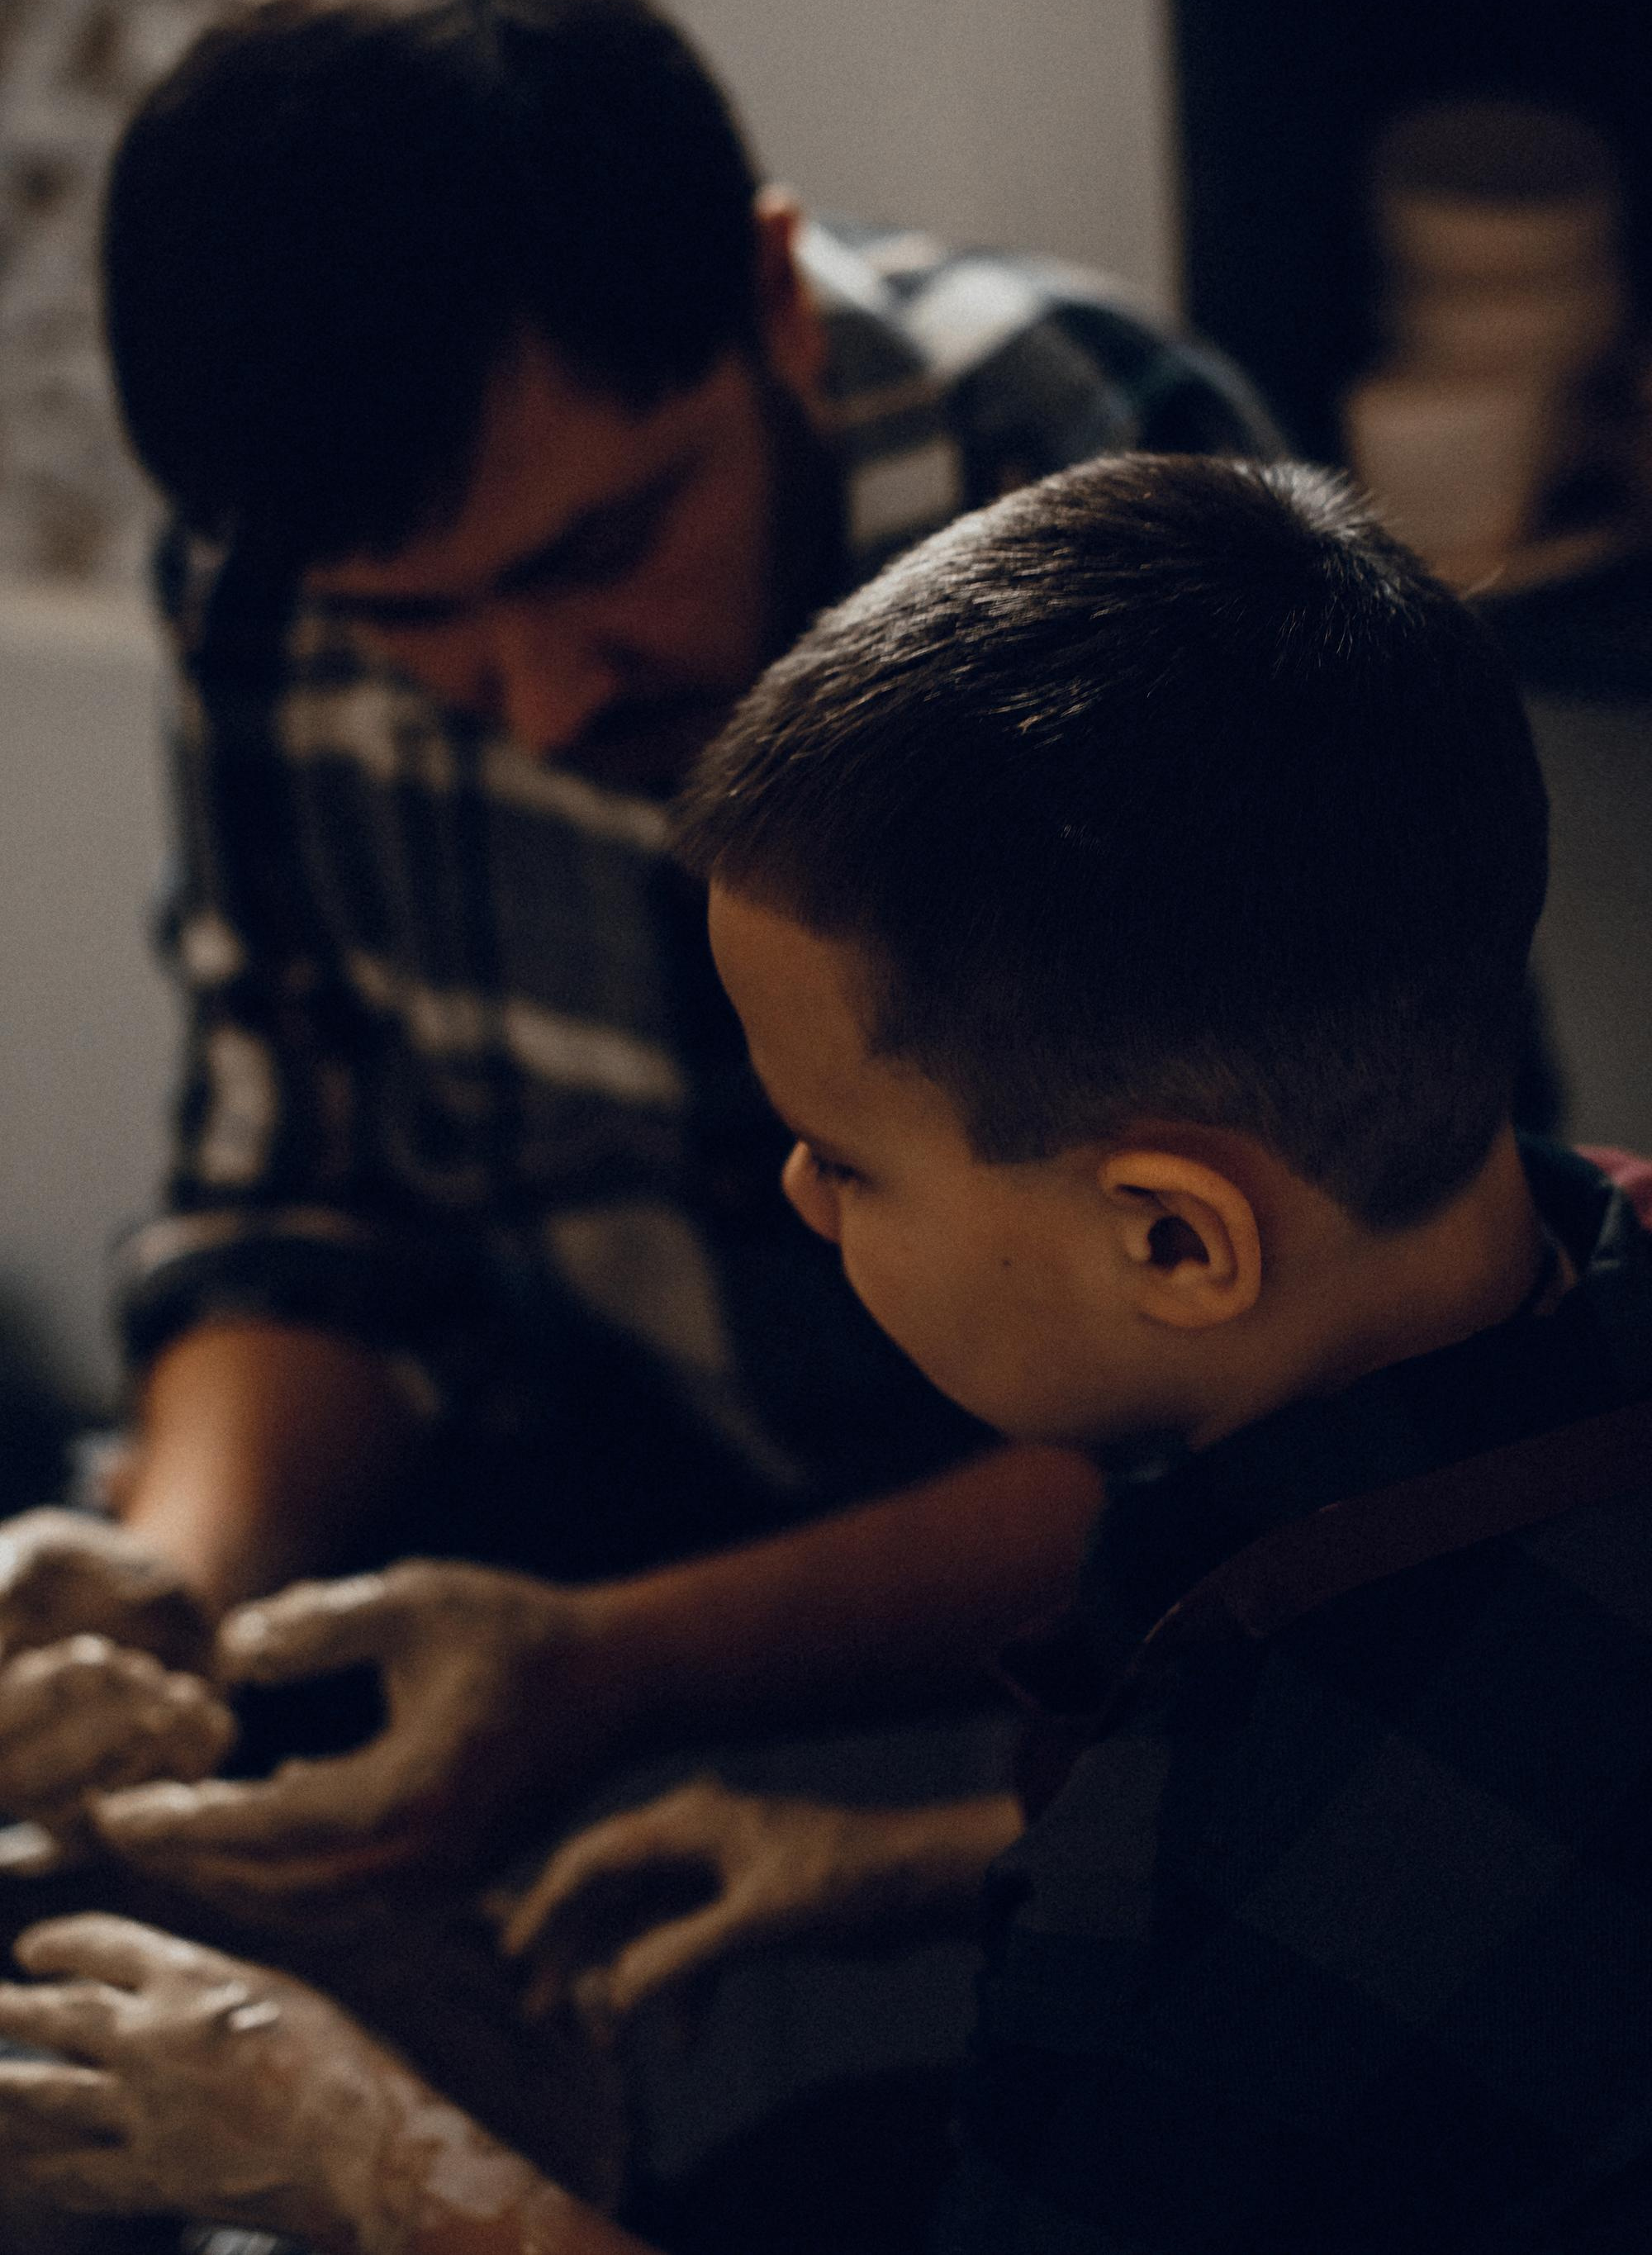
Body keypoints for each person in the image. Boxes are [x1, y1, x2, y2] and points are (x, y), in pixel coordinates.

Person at [5, 453, 1650, 2253]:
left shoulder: (1296, 1845)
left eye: (844, 1156)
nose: (794, 1192)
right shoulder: (1588, 1260)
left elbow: (1289, 1944)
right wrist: (901, 1860)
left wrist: (361, 2151)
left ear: (1174, 1237)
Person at [0, 0, 1279, 1885]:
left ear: (769, 299)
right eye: (410, 622)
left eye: (601, 547)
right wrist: (174, 1581)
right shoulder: (270, 569)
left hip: (1121, 1612)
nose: (538, 699)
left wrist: (610, 1672)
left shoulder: (1102, 496)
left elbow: (1281, 1390)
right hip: (575, 1513)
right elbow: (311, 1207)